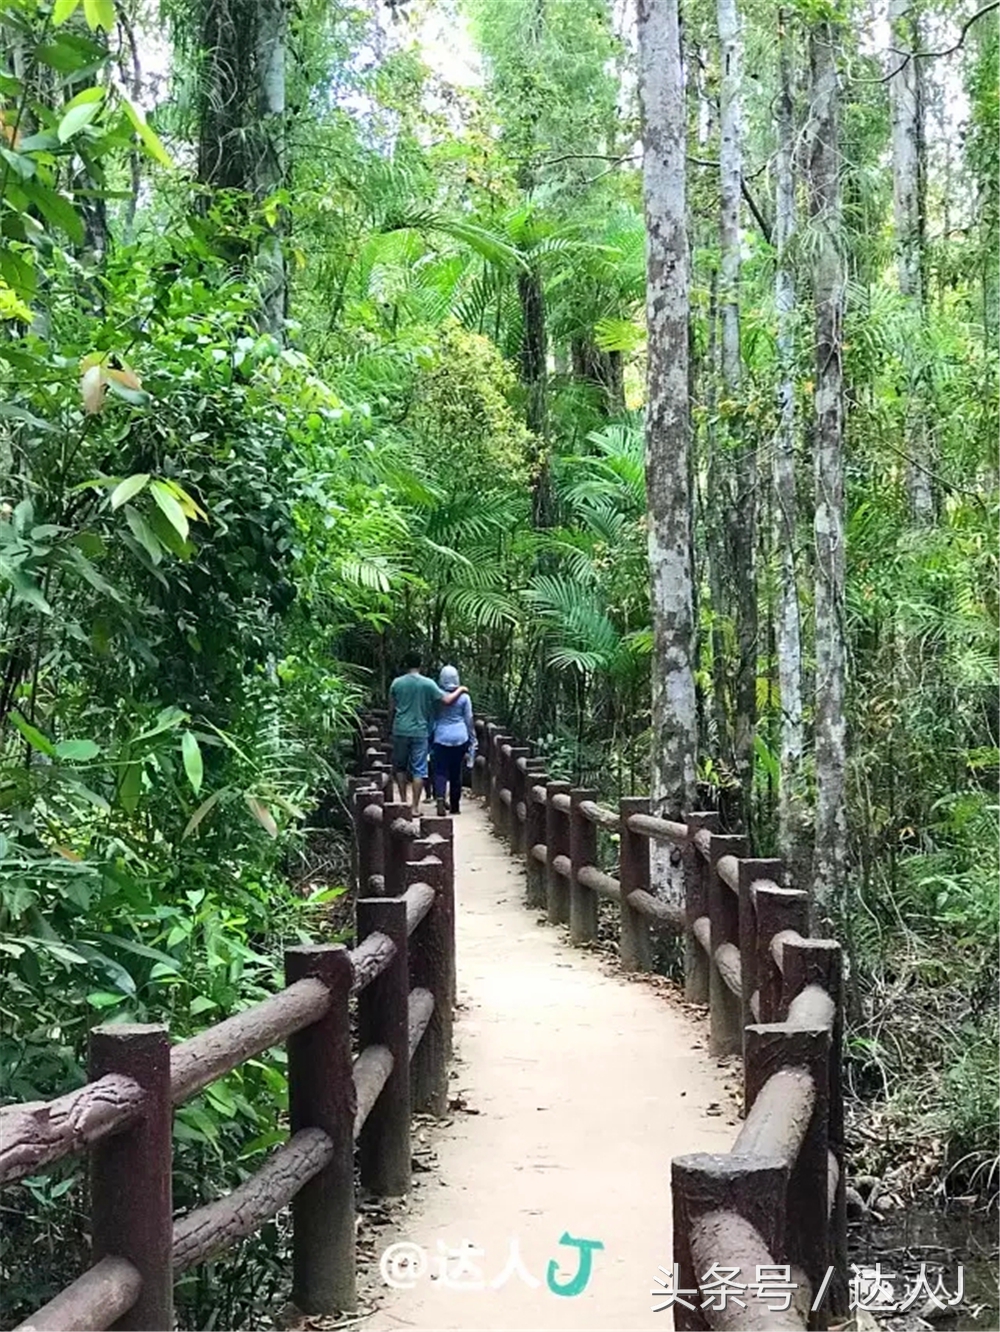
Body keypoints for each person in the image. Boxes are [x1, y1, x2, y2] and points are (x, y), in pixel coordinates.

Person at [388, 651, 467, 814]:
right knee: (419, 769)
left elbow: (391, 709)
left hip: (400, 729)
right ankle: (415, 807)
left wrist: (391, 727)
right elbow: (446, 700)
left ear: (405, 665)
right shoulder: (428, 683)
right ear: (420, 665)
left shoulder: (396, 683)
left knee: (400, 767)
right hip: (420, 730)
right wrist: (461, 690)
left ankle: (403, 802)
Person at [432, 665, 476, 816]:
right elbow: (469, 719)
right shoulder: (464, 697)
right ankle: (455, 806)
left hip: (441, 736)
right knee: (456, 772)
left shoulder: (437, 696)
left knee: (440, 771)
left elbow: (432, 717)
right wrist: (472, 740)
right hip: (459, 737)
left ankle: (439, 797)